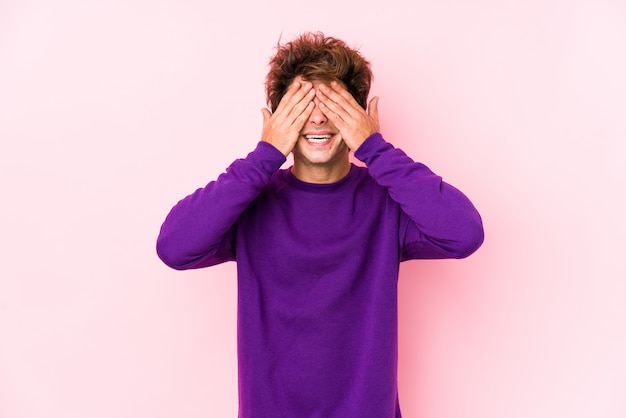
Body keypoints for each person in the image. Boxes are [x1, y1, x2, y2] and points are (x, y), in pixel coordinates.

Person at [156, 32, 484, 418]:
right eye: (302, 105)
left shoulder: (388, 202)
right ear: (275, 119)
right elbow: (174, 247)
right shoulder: (250, 203)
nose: (317, 117)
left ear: (361, 114)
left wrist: (374, 147)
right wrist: (264, 155)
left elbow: (464, 233)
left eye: (333, 103)